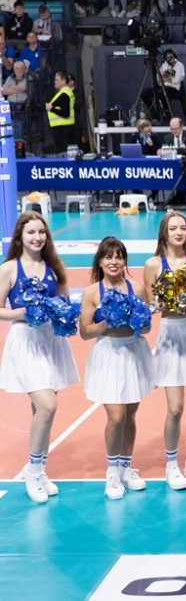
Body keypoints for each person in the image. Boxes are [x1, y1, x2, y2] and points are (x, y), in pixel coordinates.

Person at [0, 212, 79, 503]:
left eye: (41, 232)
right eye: (31, 232)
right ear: (20, 236)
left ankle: (39, 469)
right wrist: (22, 312)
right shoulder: (9, 268)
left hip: (50, 340)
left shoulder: (55, 267)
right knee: (47, 405)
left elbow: (65, 303)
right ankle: (32, 472)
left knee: (43, 410)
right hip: (25, 341)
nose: (37, 238)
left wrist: (63, 313)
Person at [80, 237, 154, 500]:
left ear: (125, 261)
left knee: (130, 416)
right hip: (108, 354)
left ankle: (125, 467)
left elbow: (147, 327)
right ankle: (111, 473)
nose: (114, 262)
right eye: (108, 257)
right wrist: (107, 323)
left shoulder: (138, 288)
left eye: (119, 257)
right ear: (100, 261)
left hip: (134, 353)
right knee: (116, 416)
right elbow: (84, 332)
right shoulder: (92, 293)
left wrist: (139, 322)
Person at [142, 212, 186, 491]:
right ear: (164, 233)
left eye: (183, 228)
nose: (178, 232)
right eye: (173, 228)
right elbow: (151, 303)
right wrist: (161, 302)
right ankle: (171, 464)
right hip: (171, 333)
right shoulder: (153, 264)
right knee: (175, 407)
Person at [45, 70, 74, 152]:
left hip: (62, 128)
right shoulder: (65, 93)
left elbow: (65, 112)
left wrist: (51, 109)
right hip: (63, 127)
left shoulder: (64, 94)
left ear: (63, 81)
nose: (55, 82)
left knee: (63, 152)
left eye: (57, 80)